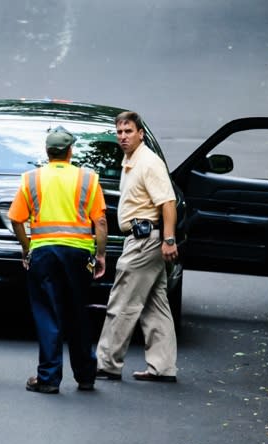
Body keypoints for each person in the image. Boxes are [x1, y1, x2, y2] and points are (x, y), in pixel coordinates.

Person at [8, 126, 107, 394]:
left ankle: (49, 378)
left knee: (48, 314)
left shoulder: (31, 179)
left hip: (44, 254)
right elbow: (99, 220)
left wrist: (27, 248)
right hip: (78, 255)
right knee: (79, 314)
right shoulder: (88, 179)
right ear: (70, 151)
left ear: (47, 152)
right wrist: (99, 254)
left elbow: (16, 219)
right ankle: (86, 376)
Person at [95, 111, 179, 383]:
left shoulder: (148, 162)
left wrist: (168, 239)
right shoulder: (130, 160)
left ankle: (107, 363)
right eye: (119, 132)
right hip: (146, 239)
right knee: (156, 305)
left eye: (128, 131)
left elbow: (167, 202)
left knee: (122, 302)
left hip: (145, 241)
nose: (123, 136)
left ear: (141, 133)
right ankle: (163, 366)